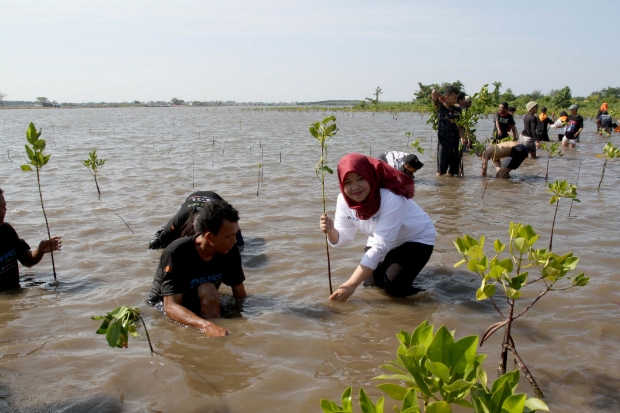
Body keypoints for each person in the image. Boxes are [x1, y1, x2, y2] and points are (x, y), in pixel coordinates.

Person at [319, 153, 436, 301]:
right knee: (371, 285)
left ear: (370, 176)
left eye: (360, 179)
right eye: (347, 182)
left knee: (393, 289)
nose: (355, 187)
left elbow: (380, 247)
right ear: (341, 184)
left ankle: (427, 296)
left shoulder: (391, 198)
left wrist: (350, 284)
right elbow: (344, 238)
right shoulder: (343, 200)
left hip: (416, 238)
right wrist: (330, 231)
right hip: (379, 237)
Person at [146, 200, 247, 337]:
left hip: (201, 296)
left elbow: (240, 296)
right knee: (208, 290)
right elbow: (170, 307)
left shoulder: (230, 250)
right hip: (165, 303)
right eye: (229, 236)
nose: (234, 241)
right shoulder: (177, 252)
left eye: (236, 234)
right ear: (209, 236)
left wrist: (242, 323)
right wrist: (207, 326)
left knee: (208, 291)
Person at [0, 187, 62, 290]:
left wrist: (40, 250)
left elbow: (26, 260)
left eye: (4, 206)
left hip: (15, 292)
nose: (3, 211)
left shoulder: (7, 230)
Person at [148, 191, 244, 250]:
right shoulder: (180, 219)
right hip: (190, 204)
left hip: (215, 200)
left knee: (237, 245)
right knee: (155, 243)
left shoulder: (217, 218)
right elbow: (161, 239)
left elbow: (238, 241)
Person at [431, 86, 465, 176]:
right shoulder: (440, 107)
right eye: (454, 97)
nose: (456, 99)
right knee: (440, 172)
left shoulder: (457, 110)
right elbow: (434, 92)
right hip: (443, 143)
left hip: (455, 143)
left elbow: (459, 127)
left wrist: (462, 138)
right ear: (447, 97)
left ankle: (451, 189)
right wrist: (441, 97)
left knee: (452, 173)